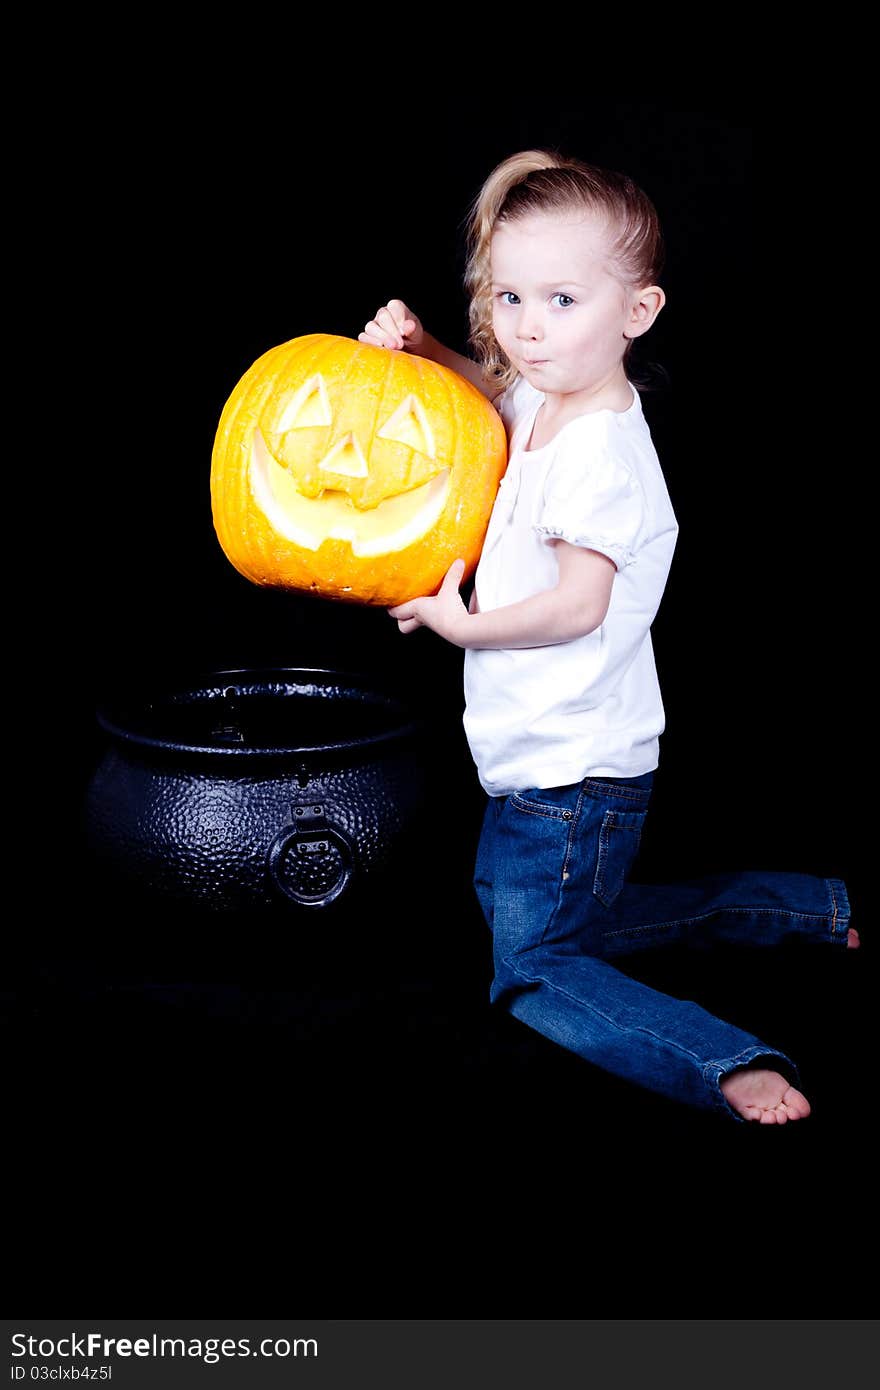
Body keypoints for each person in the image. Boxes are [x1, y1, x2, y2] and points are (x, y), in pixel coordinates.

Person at [357, 147, 858, 1123]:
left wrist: (468, 624)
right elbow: (492, 398)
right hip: (546, 757)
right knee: (589, 916)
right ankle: (812, 909)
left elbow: (579, 602)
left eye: (560, 301)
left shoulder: (602, 454)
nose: (526, 330)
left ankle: (722, 1061)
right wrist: (421, 346)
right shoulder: (549, 394)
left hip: (572, 772)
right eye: (509, 299)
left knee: (532, 965)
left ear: (636, 312)